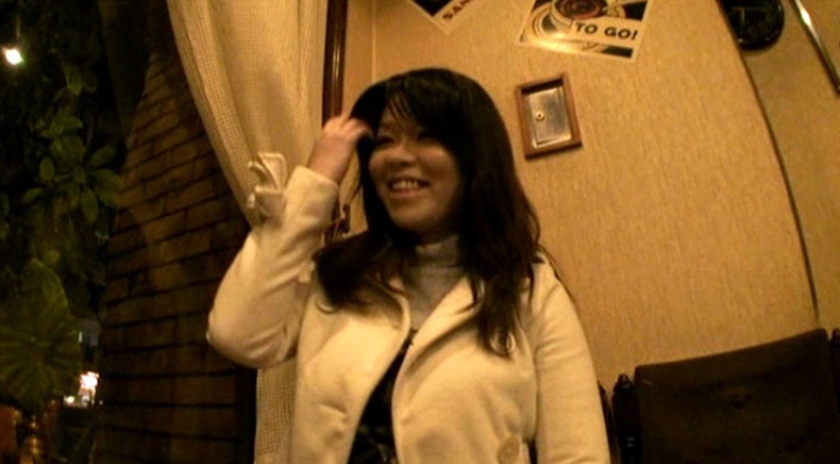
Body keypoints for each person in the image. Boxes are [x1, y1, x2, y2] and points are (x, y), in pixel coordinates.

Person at [208, 67, 610, 464]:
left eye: (426, 136)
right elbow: (237, 332)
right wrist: (313, 185)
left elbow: (578, 455)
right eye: (384, 140)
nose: (397, 156)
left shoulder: (529, 289)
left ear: (473, 158)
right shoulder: (339, 274)